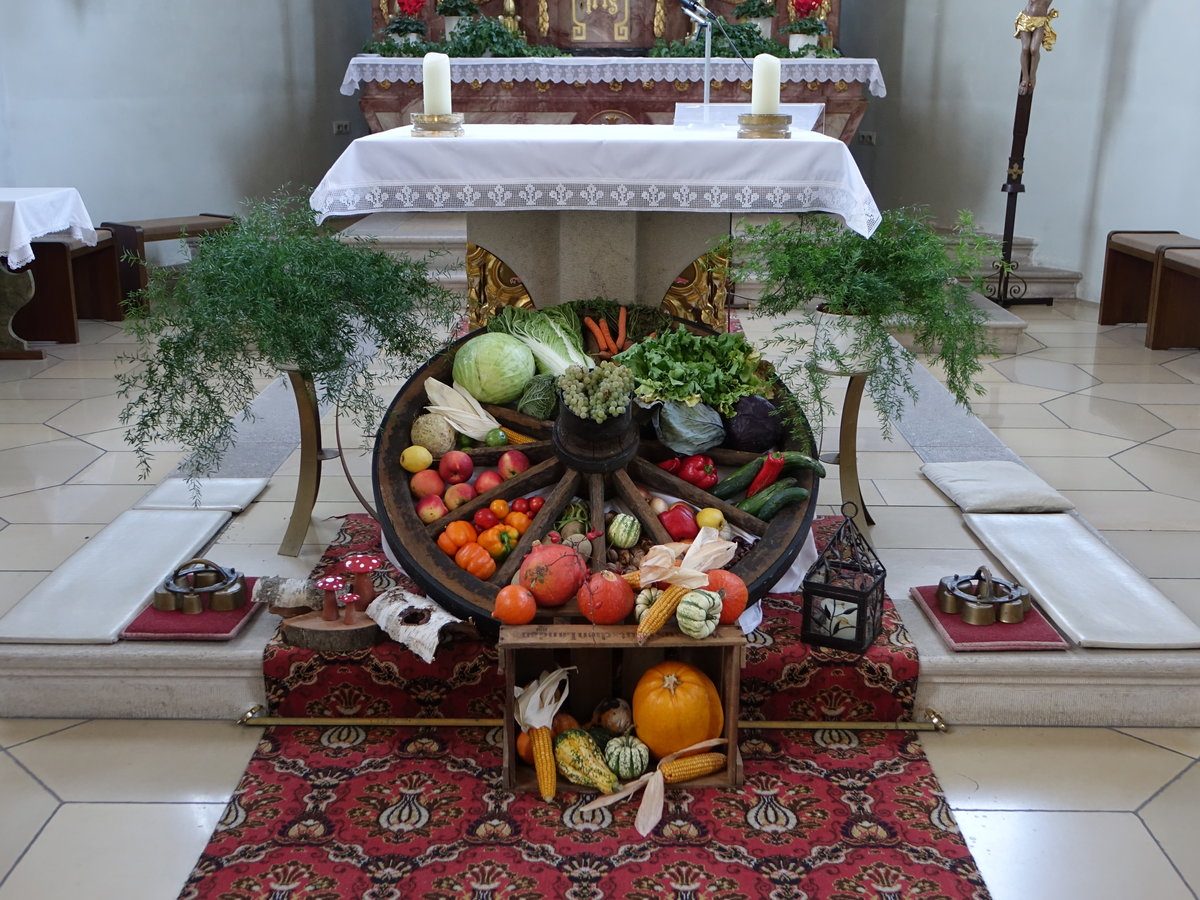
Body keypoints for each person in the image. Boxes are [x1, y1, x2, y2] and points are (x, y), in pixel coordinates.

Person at [1014, 1, 1059, 94]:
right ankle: (1025, 78)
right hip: (1026, 18)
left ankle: (1032, 76)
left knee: (1034, 49)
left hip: (1040, 21)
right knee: (1025, 48)